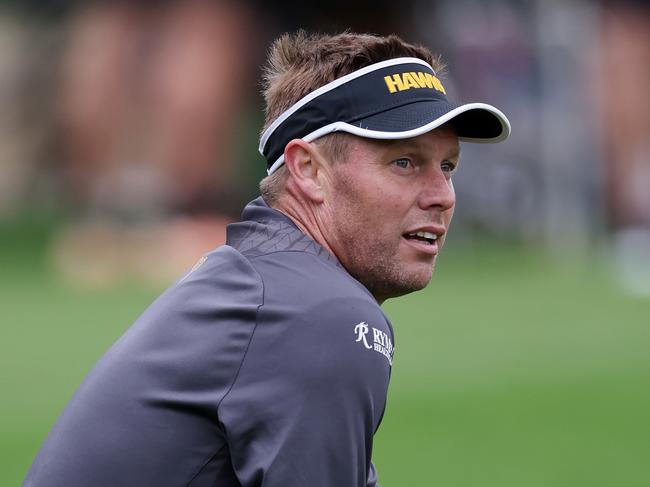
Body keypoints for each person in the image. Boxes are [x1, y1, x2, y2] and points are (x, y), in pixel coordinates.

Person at [24, 31, 510, 486]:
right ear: (308, 171)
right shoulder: (319, 312)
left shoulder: (267, 281)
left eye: (447, 167)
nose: (442, 196)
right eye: (403, 162)